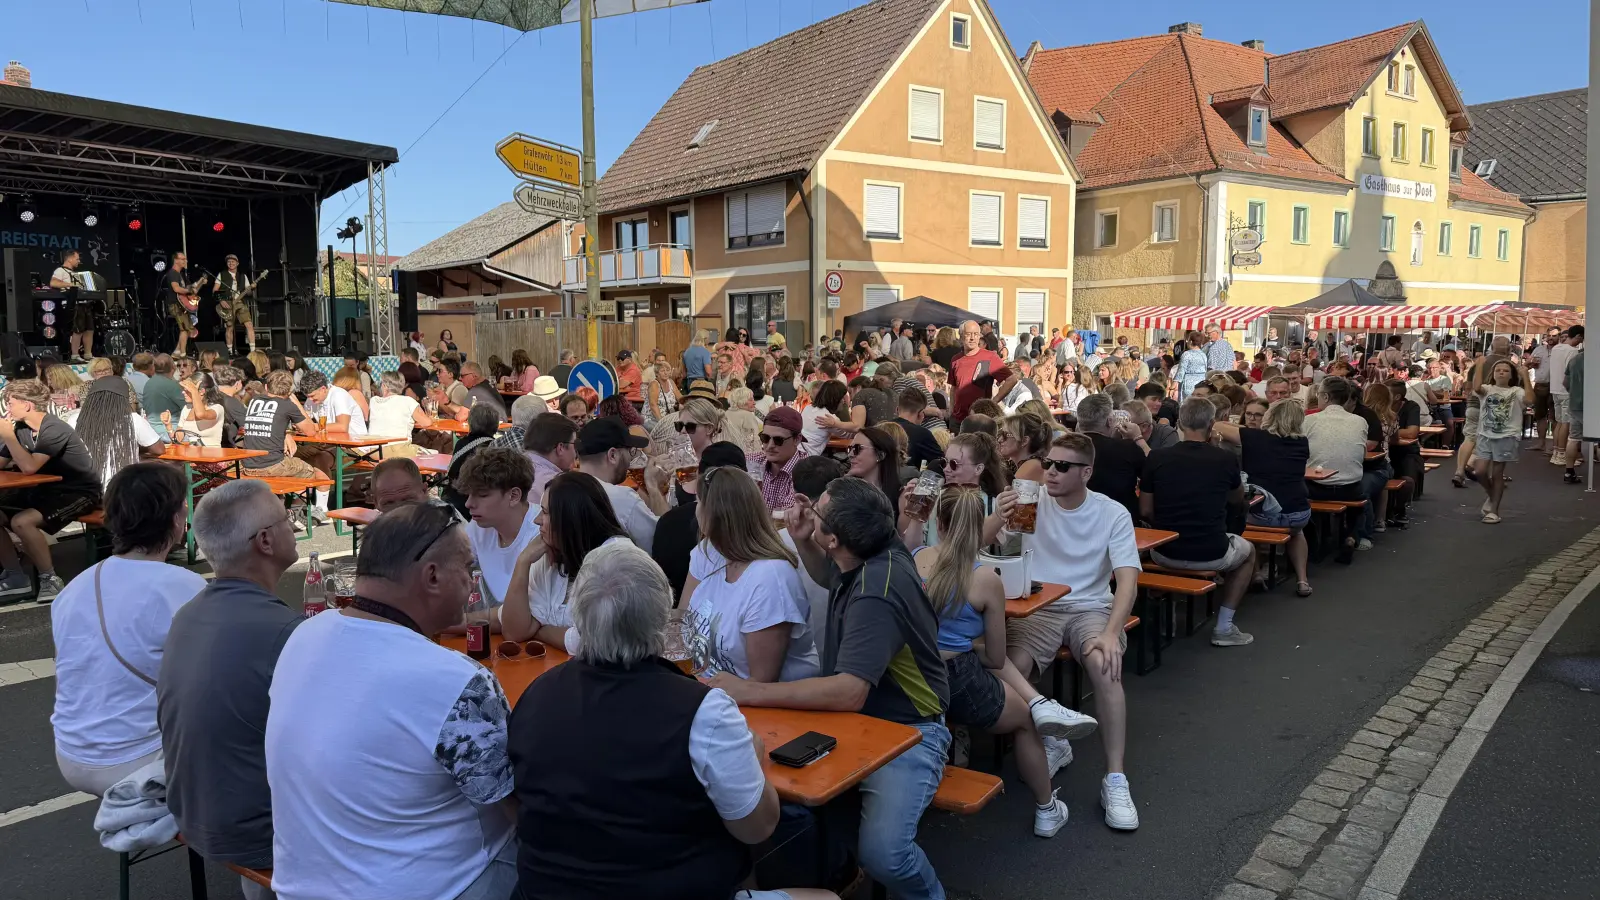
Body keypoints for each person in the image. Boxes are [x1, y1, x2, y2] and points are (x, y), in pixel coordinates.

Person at [507, 541, 836, 900]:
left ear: (579, 616)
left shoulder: (536, 695)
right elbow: (757, 828)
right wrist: (753, 760)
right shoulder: (705, 712)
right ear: (662, 617)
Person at [711, 477, 950, 900]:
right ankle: (833, 875)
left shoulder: (877, 592)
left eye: (817, 511)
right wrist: (807, 540)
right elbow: (836, 576)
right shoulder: (878, 552)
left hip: (911, 730)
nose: (806, 509)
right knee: (794, 803)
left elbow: (848, 692)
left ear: (836, 538)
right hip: (862, 724)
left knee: (885, 854)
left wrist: (748, 691)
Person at [267, 502, 518, 900]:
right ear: (432, 576)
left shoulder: (301, 637)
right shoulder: (456, 681)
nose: (474, 584)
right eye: (468, 568)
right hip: (438, 887)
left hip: (301, 888)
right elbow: (513, 803)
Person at [984, 432, 1144, 826]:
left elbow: (1127, 580)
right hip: (1039, 605)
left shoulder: (1112, 512)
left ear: (1086, 472)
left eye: (1062, 466)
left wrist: (1111, 631)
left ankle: (1116, 779)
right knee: (1010, 668)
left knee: (1104, 666)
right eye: (1048, 462)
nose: (1050, 472)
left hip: (1091, 606)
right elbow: (976, 550)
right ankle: (1051, 737)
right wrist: (996, 517)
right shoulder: (1030, 501)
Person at [159, 479, 302, 900]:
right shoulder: (283, 632)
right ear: (265, 541)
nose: (292, 524)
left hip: (191, 808)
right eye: (286, 518)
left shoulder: (190, 612)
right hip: (253, 830)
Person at [919, 487, 1079, 836]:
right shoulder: (985, 580)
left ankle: (1040, 704)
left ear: (939, 523)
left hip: (915, 676)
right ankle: (1046, 808)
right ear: (979, 526)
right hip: (959, 679)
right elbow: (994, 656)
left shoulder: (916, 558)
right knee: (1025, 723)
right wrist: (963, 646)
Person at [51, 464, 202, 795]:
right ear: (175, 518)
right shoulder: (184, 586)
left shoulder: (73, 589)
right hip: (135, 760)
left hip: (72, 752)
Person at [680, 465, 821, 681]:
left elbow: (761, 683)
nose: (695, 510)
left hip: (759, 710)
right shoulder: (715, 556)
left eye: (699, 502)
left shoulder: (770, 578)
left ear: (715, 513)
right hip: (713, 695)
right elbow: (685, 625)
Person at [1139, 397, 1256, 646]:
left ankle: (1164, 615)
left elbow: (1146, 511)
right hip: (1210, 550)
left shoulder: (1157, 457)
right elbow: (1237, 500)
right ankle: (1224, 626)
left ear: (1180, 423)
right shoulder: (1224, 459)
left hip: (1165, 550)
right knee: (1249, 552)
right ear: (1212, 424)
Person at [499, 471, 633, 652]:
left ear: (570, 519)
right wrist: (522, 563)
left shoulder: (617, 559)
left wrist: (540, 630)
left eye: (545, 512)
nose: (537, 520)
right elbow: (515, 632)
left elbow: (592, 643)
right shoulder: (552, 554)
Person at [0, 380, 101, 601]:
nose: (7, 409)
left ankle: (50, 580)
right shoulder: (21, 429)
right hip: (46, 490)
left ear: (27, 405)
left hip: (78, 491)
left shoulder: (54, 428)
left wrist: (7, 434)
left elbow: (29, 467)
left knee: (22, 521)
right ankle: (16, 576)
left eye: (10, 403)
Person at [1216, 399, 1313, 595]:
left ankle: (1256, 574)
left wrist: (1241, 426)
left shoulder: (1253, 437)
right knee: (1297, 533)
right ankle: (1302, 580)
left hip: (1262, 513)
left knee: (1246, 519)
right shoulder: (1302, 442)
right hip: (1298, 513)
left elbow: (1216, 425)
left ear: (1271, 416)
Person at [458, 447, 542, 607]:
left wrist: (457, 624)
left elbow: (529, 614)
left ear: (514, 496)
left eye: (482, 495)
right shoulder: (478, 527)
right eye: (469, 494)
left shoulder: (541, 532)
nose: (468, 503)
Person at [1304, 377, 1371, 563]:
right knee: (1358, 487)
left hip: (1317, 487)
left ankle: (1313, 541)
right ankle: (1350, 535)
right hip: (1351, 487)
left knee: (1299, 491)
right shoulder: (1360, 421)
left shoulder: (1310, 420)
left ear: (1325, 396)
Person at [574, 417, 663, 548]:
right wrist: (654, 487)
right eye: (630, 451)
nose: (629, 459)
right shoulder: (623, 498)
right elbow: (660, 543)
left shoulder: (555, 489)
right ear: (613, 455)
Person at [1472, 357, 1530, 524]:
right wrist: (1480, 365)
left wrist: (1525, 376)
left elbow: (1530, 400)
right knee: (1480, 471)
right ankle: (1492, 496)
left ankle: (1494, 510)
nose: (1501, 372)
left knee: (1497, 473)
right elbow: (1476, 387)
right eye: (1498, 370)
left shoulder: (1516, 391)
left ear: (1511, 375)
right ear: (1493, 374)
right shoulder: (1487, 389)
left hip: (1507, 436)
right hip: (1485, 435)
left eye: (1505, 370)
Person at [1075, 393, 1147, 524]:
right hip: (1121, 523)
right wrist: (1138, 438)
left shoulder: (1065, 449)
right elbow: (1153, 470)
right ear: (1109, 421)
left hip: (1077, 521)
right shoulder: (1126, 448)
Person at [443, 404, 506, 518]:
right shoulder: (493, 447)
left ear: (470, 423)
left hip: (452, 500)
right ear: (496, 425)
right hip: (473, 507)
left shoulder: (461, 443)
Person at [748, 406, 809, 512]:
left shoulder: (806, 472)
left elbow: (786, 520)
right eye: (765, 438)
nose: (770, 445)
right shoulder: (751, 461)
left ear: (797, 439)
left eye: (778, 440)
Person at [845, 425, 905, 515]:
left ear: (880, 455)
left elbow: (903, 529)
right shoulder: (844, 489)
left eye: (857, 449)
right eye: (850, 449)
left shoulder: (901, 496)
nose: (850, 454)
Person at [159, 251, 205, 357]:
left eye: (185, 259)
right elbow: (176, 288)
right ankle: (183, 354)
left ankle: (176, 352)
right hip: (175, 305)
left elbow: (192, 291)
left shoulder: (181, 275)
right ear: (176, 260)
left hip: (182, 305)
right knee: (184, 328)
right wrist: (189, 291)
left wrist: (201, 282)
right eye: (183, 259)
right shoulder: (173, 273)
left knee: (187, 328)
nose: (186, 261)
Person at [1549, 326, 1583, 466]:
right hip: (1566, 390)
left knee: (1558, 422)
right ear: (1579, 337)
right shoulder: (1573, 351)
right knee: (1566, 423)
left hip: (1554, 389)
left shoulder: (1556, 348)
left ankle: (1556, 453)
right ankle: (1562, 454)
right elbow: (1570, 373)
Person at [301, 370, 368, 438]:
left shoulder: (339, 395)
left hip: (353, 442)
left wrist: (313, 427)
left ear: (323, 389)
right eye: (307, 396)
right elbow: (305, 421)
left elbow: (342, 427)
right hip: (330, 442)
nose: (310, 399)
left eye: (312, 396)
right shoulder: (311, 399)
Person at [893, 387, 943, 471]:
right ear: (921, 414)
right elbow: (941, 463)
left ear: (897, 410)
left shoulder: (880, 427)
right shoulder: (922, 434)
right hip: (909, 482)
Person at [949, 319, 1005, 392]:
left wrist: (995, 400)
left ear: (979, 337)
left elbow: (1010, 380)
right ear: (961, 337)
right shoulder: (955, 359)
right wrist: (952, 403)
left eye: (975, 334)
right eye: (968, 334)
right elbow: (953, 388)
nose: (972, 338)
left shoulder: (991, 357)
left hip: (983, 403)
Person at [1527, 328, 1560, 452]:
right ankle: (1541, 443)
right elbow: (1529, 363)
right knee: (1540, 415)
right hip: (1540, 384)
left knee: (1555, 416)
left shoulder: (1560, 350)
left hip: (1556, 385)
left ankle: (1555, 445)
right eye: (1549, 335)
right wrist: (1531, 364)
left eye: (1554, 336)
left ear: (1559, 336)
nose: (1551, 338)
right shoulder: (1539, 349)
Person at [801, 380, 850, 456]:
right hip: (807, 458)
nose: (843, 401)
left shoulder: (808, 408)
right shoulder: (829, 418)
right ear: (835, 399)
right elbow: (849, 434)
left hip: (796, 451)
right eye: (842, 398)